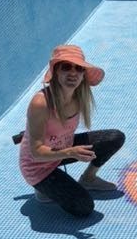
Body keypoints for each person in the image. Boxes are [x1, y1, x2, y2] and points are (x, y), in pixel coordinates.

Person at [18, 44, 125, 217]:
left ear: (84, 74)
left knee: (114, 138)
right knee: (83, 207)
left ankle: (88, 179)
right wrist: (71, 152)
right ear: (56, 72)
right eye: (66, 67)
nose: (73, 73)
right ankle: (43, 189)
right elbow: (36, 153)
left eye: (79, 68)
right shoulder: (41, 103)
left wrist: (69, 152)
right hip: (37, 166)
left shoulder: (79, 96)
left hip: (63, 150)